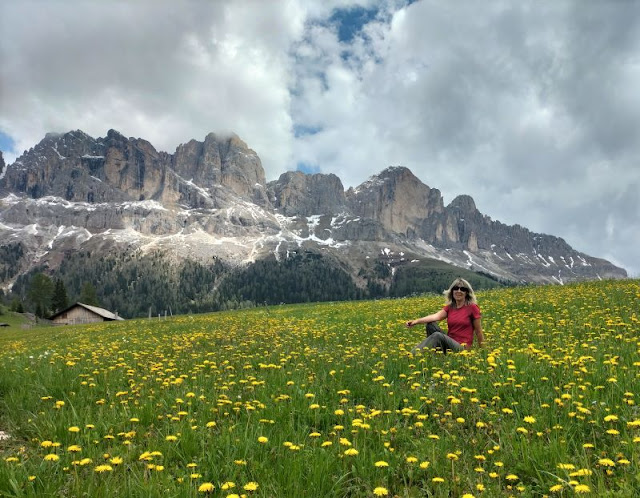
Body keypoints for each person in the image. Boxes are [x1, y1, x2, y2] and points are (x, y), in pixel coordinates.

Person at [406, 278, 484, 353]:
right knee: (431, 325)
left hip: (462, 348)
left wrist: (483, 351)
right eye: (456, 288)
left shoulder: (472, 307)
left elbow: (478, 331)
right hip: (449, 343)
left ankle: (412, 355)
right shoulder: (450, 307)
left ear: (467, 292)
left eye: (463, 289)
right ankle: (435, 354)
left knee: (437, 336)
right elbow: (435, 316)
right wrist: (416, 321)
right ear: (452, 291)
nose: (459, 291)